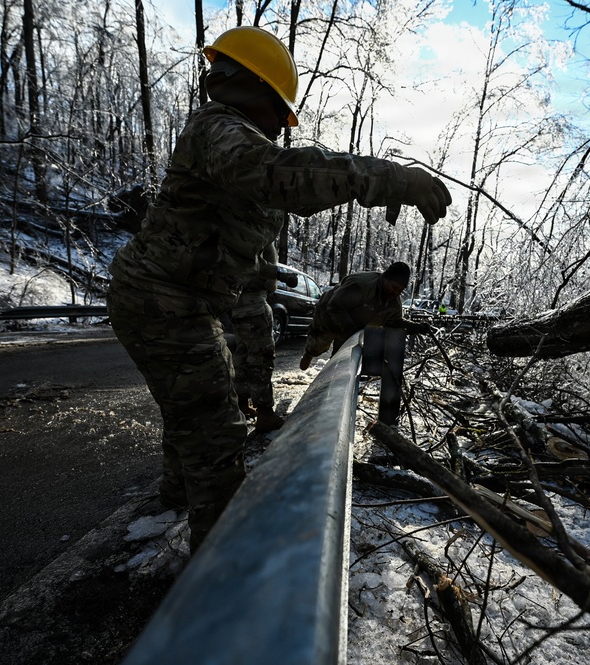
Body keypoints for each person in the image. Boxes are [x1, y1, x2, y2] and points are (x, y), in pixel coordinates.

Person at [105, 26, 452, 552]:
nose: (278, 127)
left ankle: (177, 493)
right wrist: (386, 178)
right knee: (218, 431)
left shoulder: (230, 148)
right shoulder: (217, 130)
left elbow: (250, 246)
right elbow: (280, 175)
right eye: (277, 113)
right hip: (160, 301)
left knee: (197, 402)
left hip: (180, 302)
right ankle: (218, 576)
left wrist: (256, 312)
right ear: (254, 89)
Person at [299, 261, 429, 370]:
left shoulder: (393, 302)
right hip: (328, 313)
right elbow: (335, 306)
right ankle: (309, 353)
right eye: (394, 287)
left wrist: (417, 327)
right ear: (385, 278)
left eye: (400, 290)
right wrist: (350, 329)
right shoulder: (360, 284)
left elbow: (394, 322)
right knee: (318, 344)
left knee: (341, 357)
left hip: (355, 324)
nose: (396, 293)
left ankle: (331, 381)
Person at [230, 242, 296, 433]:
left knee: (242, 356)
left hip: (239, 303)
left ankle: (241, 404)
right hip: (254, 304)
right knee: (261, 358)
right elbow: (250, 262)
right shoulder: (256, 233)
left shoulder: (244, 230)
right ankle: (265, 413)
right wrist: (280, 274)